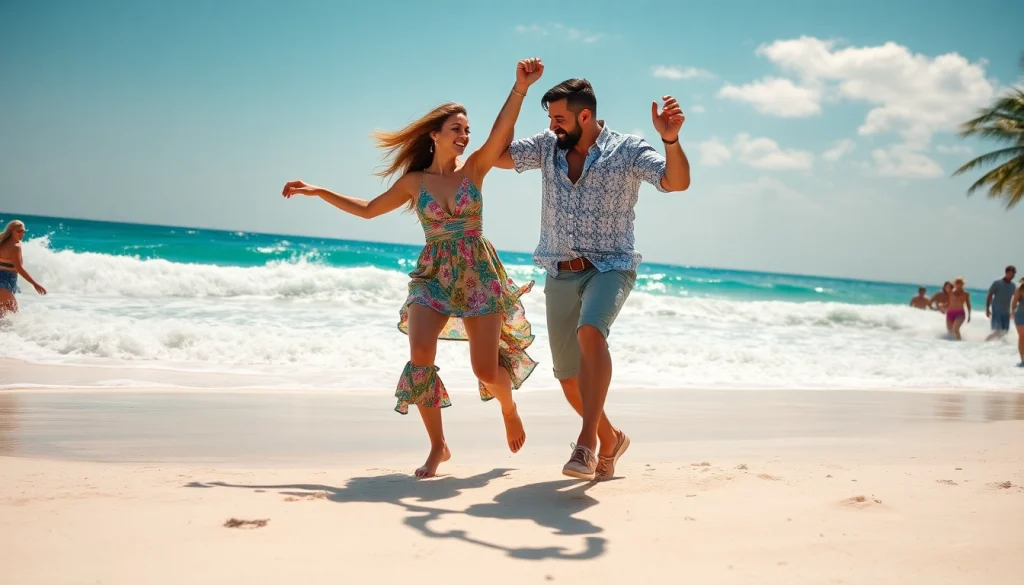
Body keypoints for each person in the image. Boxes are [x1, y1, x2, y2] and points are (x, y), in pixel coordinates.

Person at [281, 58, 546, 478]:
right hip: (434, 276)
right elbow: (368, 209)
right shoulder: (414, 183)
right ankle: (438, 445)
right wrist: (319, 191)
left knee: (484, 369)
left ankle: (508, 408)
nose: (464, 136)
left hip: (477, 272)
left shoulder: (475, 168)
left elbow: (501, 130)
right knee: (420, 356)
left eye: (467, 129)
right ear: (434, 135)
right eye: (456, 128)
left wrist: (521, 88)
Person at [497, 78, 690, 480]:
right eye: (550, 118)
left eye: (559, 118)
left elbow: (676, 182)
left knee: (590, 333)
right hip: (560, 270)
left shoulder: (628, 149)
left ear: (584, 116)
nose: (552, 126)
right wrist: (519, 91)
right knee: (569, 378)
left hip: (611, 265)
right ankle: (611, 437)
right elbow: (497, 154)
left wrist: (670, 141)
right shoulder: (547, 146)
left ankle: (586, 446)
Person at [0, 220, 47, 316]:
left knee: (4, 319)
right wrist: (35, 284)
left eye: (23, 231)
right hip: (4, 286)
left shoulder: (2, 243)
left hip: (4, 285)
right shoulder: (15, 247)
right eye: (19, 231)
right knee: (14, 318)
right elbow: (19, 269)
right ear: (11, 231)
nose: (22, 234)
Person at [985, 265, 1017, 341]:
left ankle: (998, 346)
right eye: (1011, 274)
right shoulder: (997, 283)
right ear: (1007, 273)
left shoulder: (1013, 286)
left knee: (1004, 332)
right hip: (997, 311)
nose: (1013, 276)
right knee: (997, 331)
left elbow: (1015, 299)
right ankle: (986, 341)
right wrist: (987, 308)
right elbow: (989, 295)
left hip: (1006, 312)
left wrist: (1013, 311)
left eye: (1014, 274)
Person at [1011, 277, 1024, 366]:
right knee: (1022, 337)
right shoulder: (1020, 289)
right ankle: (1023, 360)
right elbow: (1014, 301)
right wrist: (1012, 312)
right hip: (1020, 315)